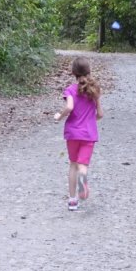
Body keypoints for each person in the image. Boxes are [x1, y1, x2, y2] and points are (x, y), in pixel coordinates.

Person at [53, 56, 104, 211]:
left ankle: (72, 200)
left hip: (73, 133)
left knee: (73, 165)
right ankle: (83, 183)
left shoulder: (70, 90)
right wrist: (90, 120)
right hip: (88, 134)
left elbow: (69, 107)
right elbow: (100, 114)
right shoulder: (94, 90)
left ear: (73, 72)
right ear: (89, 71)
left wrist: (59, 116)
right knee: (83, 165)